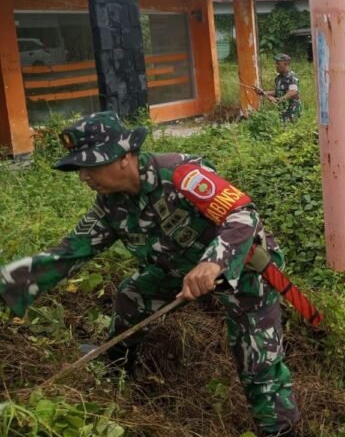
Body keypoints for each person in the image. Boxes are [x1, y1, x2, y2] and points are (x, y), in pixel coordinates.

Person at [0, 112, 299, 437]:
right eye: (79, 168)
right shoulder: (108, 207)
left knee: (257, 362)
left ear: (125, 156)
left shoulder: (182, 174)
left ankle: (280, 431)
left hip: (243, 269)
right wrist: (8, 286)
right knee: (133, 297)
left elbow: (242, 215)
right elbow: (67, 253)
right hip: (178, 271)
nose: (84, 176)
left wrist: (214, 262)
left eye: (92, 165)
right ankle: (116, 372)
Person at [263, 53, 302, 122]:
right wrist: (263, 92)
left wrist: (278, 100)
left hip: (292, 112)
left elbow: (293, 92)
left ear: (286, 64)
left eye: (278, 63)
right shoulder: (278, 78)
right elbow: (279, 91)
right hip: (282, 111)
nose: (276, 66)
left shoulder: (292, 77)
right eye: (276, 63)